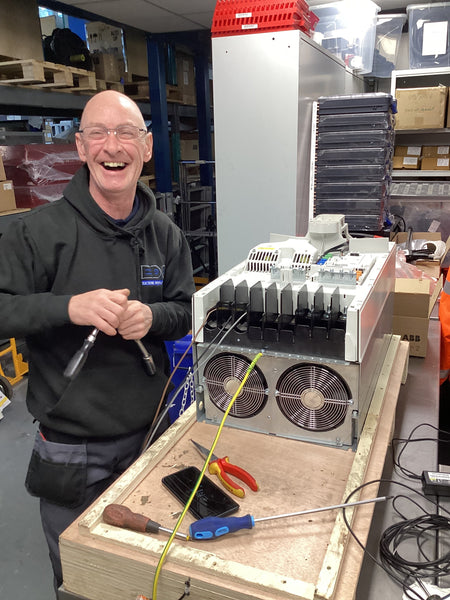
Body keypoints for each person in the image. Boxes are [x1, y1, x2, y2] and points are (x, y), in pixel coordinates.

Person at [0, 90, 195, 592]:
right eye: (99, 134)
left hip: (150, 438)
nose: (114, 145)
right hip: (70, 447)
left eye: (127, 132)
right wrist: (69, 307)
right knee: (82, 580)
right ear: (82, 149)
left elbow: (183, 311)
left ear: (147, 147)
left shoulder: (166, 235)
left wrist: (150, 318)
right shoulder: (35, 234)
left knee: (144, 574)